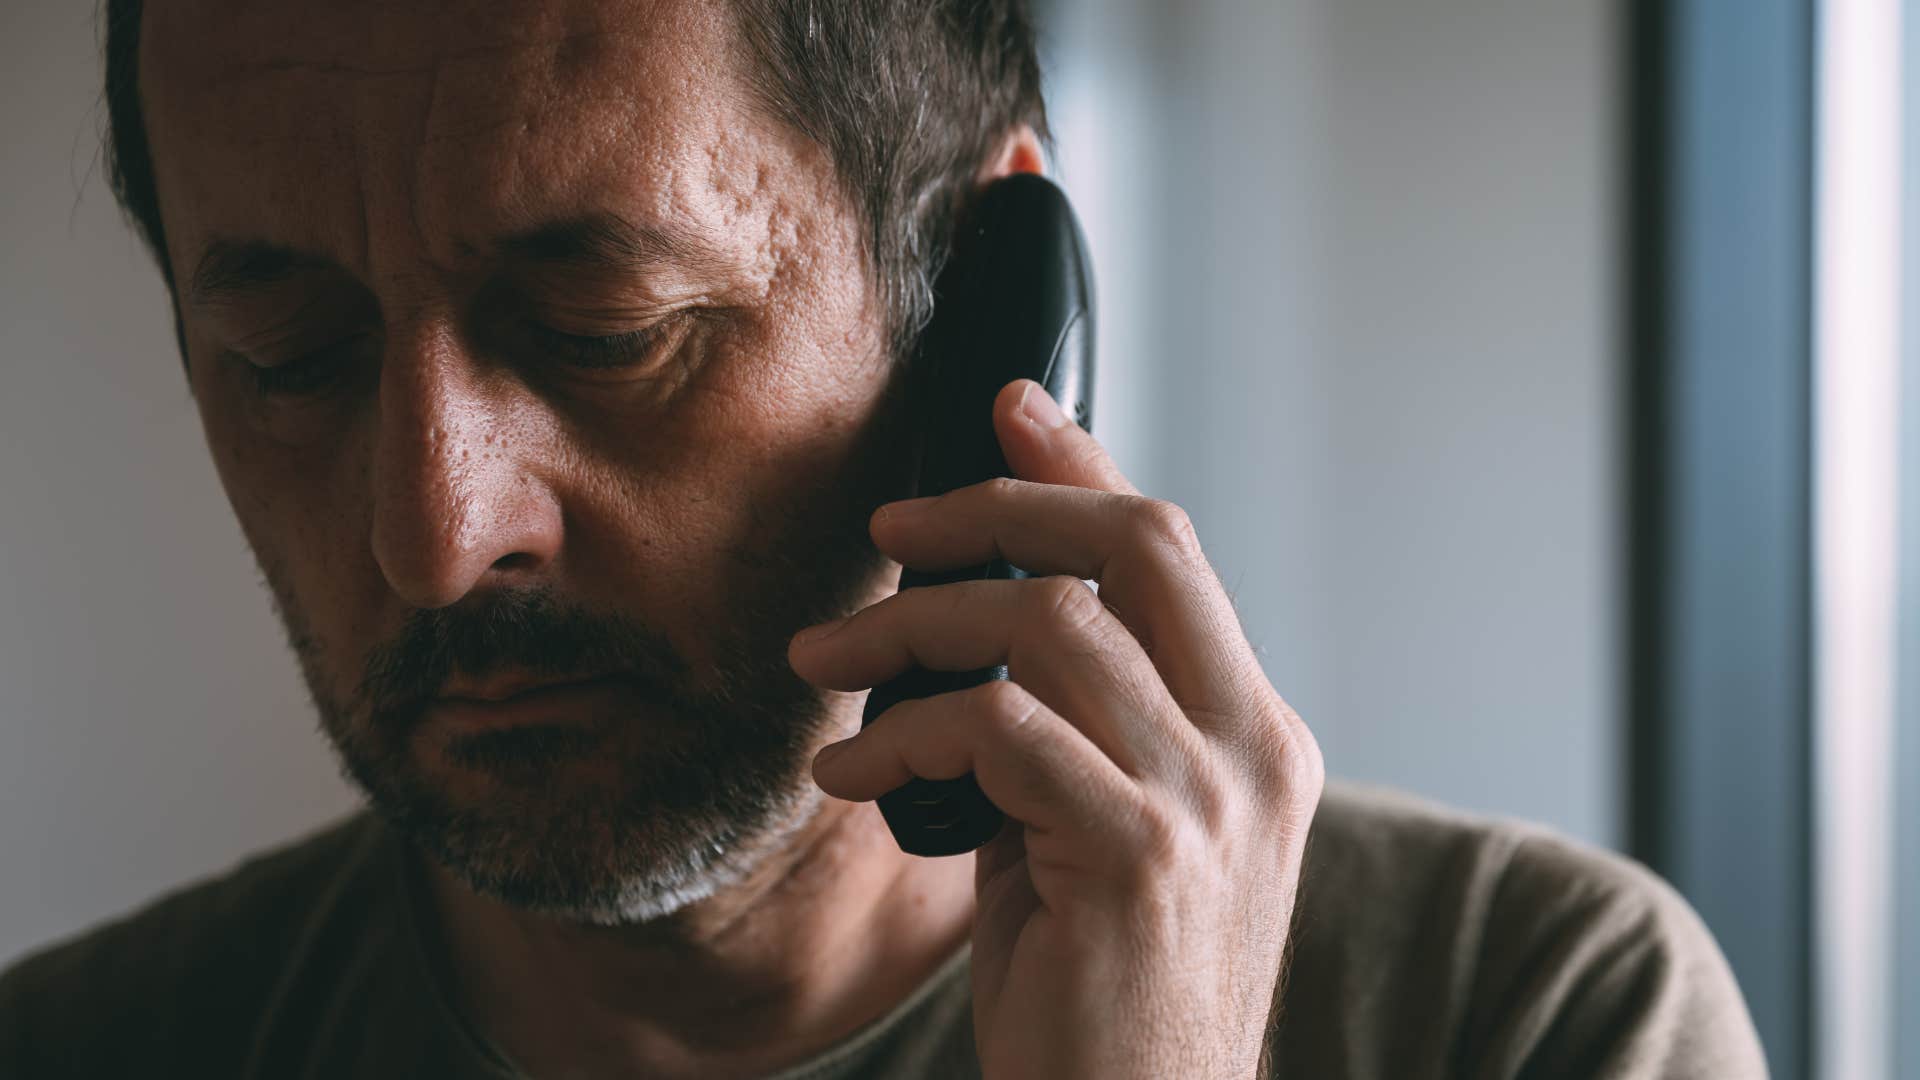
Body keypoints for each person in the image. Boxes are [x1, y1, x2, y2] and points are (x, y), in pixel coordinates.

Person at [0, 1, 1768, 1077]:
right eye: (291, 362)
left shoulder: (1533, 1020)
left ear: (980, 315)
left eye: (610, 331)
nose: (435, 538)